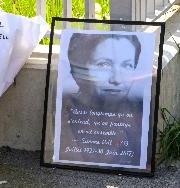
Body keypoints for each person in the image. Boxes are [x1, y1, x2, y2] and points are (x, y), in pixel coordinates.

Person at [58, 33, 144, 167]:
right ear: (78, 70)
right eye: (104, 65)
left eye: (127, 66)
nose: (116, 79)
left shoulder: (140, 116)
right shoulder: (64, 115)